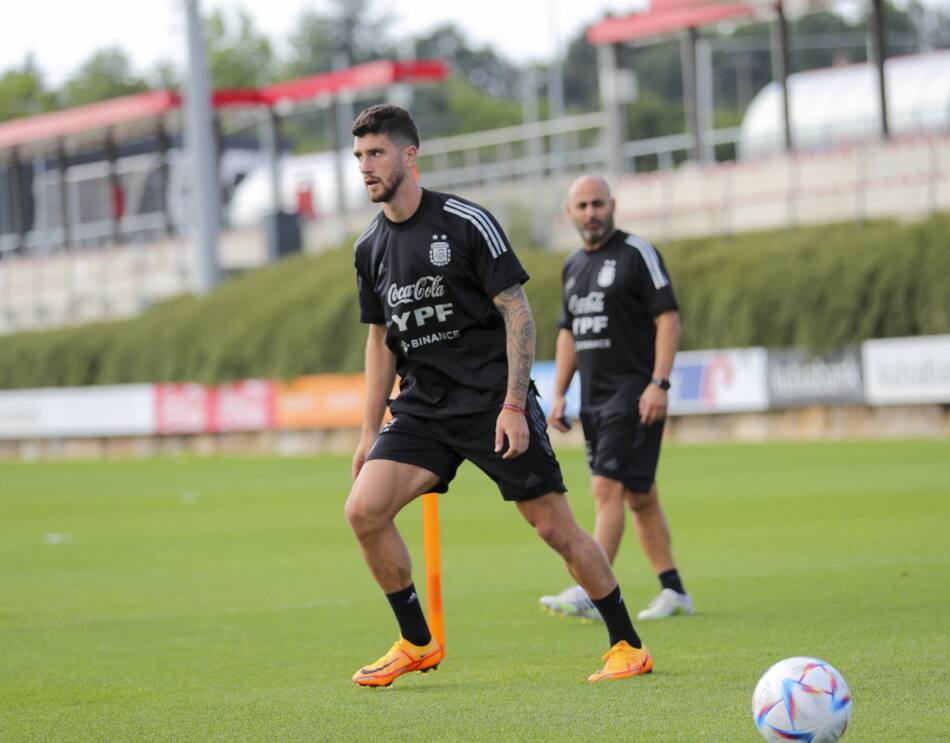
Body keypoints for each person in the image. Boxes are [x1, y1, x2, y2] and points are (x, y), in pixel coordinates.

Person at [344, 105, 652, 687]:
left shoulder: (464, 222)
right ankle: (416, 641)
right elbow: (379, 339)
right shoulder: (369, 248)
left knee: (554, 528)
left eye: (377, 153)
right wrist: (368, 431)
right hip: (421, 410)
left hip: (491, 403)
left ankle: (627, 644)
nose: (366, 167)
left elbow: (518, 312)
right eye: (359, 156)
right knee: (363, 510)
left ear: (410, 155)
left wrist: (514, 405)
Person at [540, 175, 693, 623]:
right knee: (640, 496)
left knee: (607, 488)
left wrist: (658, 383)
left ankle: (592, 589)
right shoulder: (572, 265)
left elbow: (668, 318)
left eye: (598, 203)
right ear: (570, 213)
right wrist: (560, 394)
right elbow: (569, 332)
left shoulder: (637, 254)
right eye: (583, 205)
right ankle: (675, 591)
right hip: (594, 398)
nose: (591, 212)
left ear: (613, 205)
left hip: (633, 393)